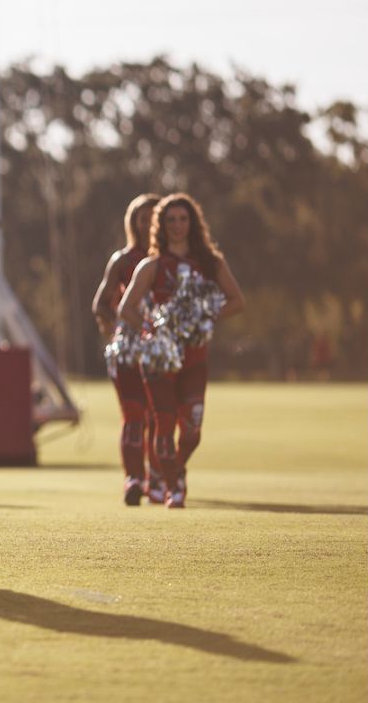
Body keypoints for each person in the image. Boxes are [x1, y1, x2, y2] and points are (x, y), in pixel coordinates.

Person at [118, 193, 245, 508]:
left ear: (193, 223)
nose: (177, 225)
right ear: (161, 225)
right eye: (171, 219)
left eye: (183, 219)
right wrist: (152, 331)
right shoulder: (152, 265)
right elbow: (126, 308)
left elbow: (237, 301)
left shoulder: (210, 263)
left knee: (192, 430)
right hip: (160, 360)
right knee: (164, 424)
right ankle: (174, 487)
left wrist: (202, 317)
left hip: (194, 357)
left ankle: (173, 470)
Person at [91, 193, 161, 506]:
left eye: (153, 217)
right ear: (134, 223)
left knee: (160, 417)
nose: (148, 225)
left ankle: (159, 477)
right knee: (134, 415)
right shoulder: (124, 260)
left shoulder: (173, 261)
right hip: (131, 348)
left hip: (164, 350)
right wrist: (117, 327)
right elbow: (101, 304)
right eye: (142, 219)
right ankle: (134, 478)